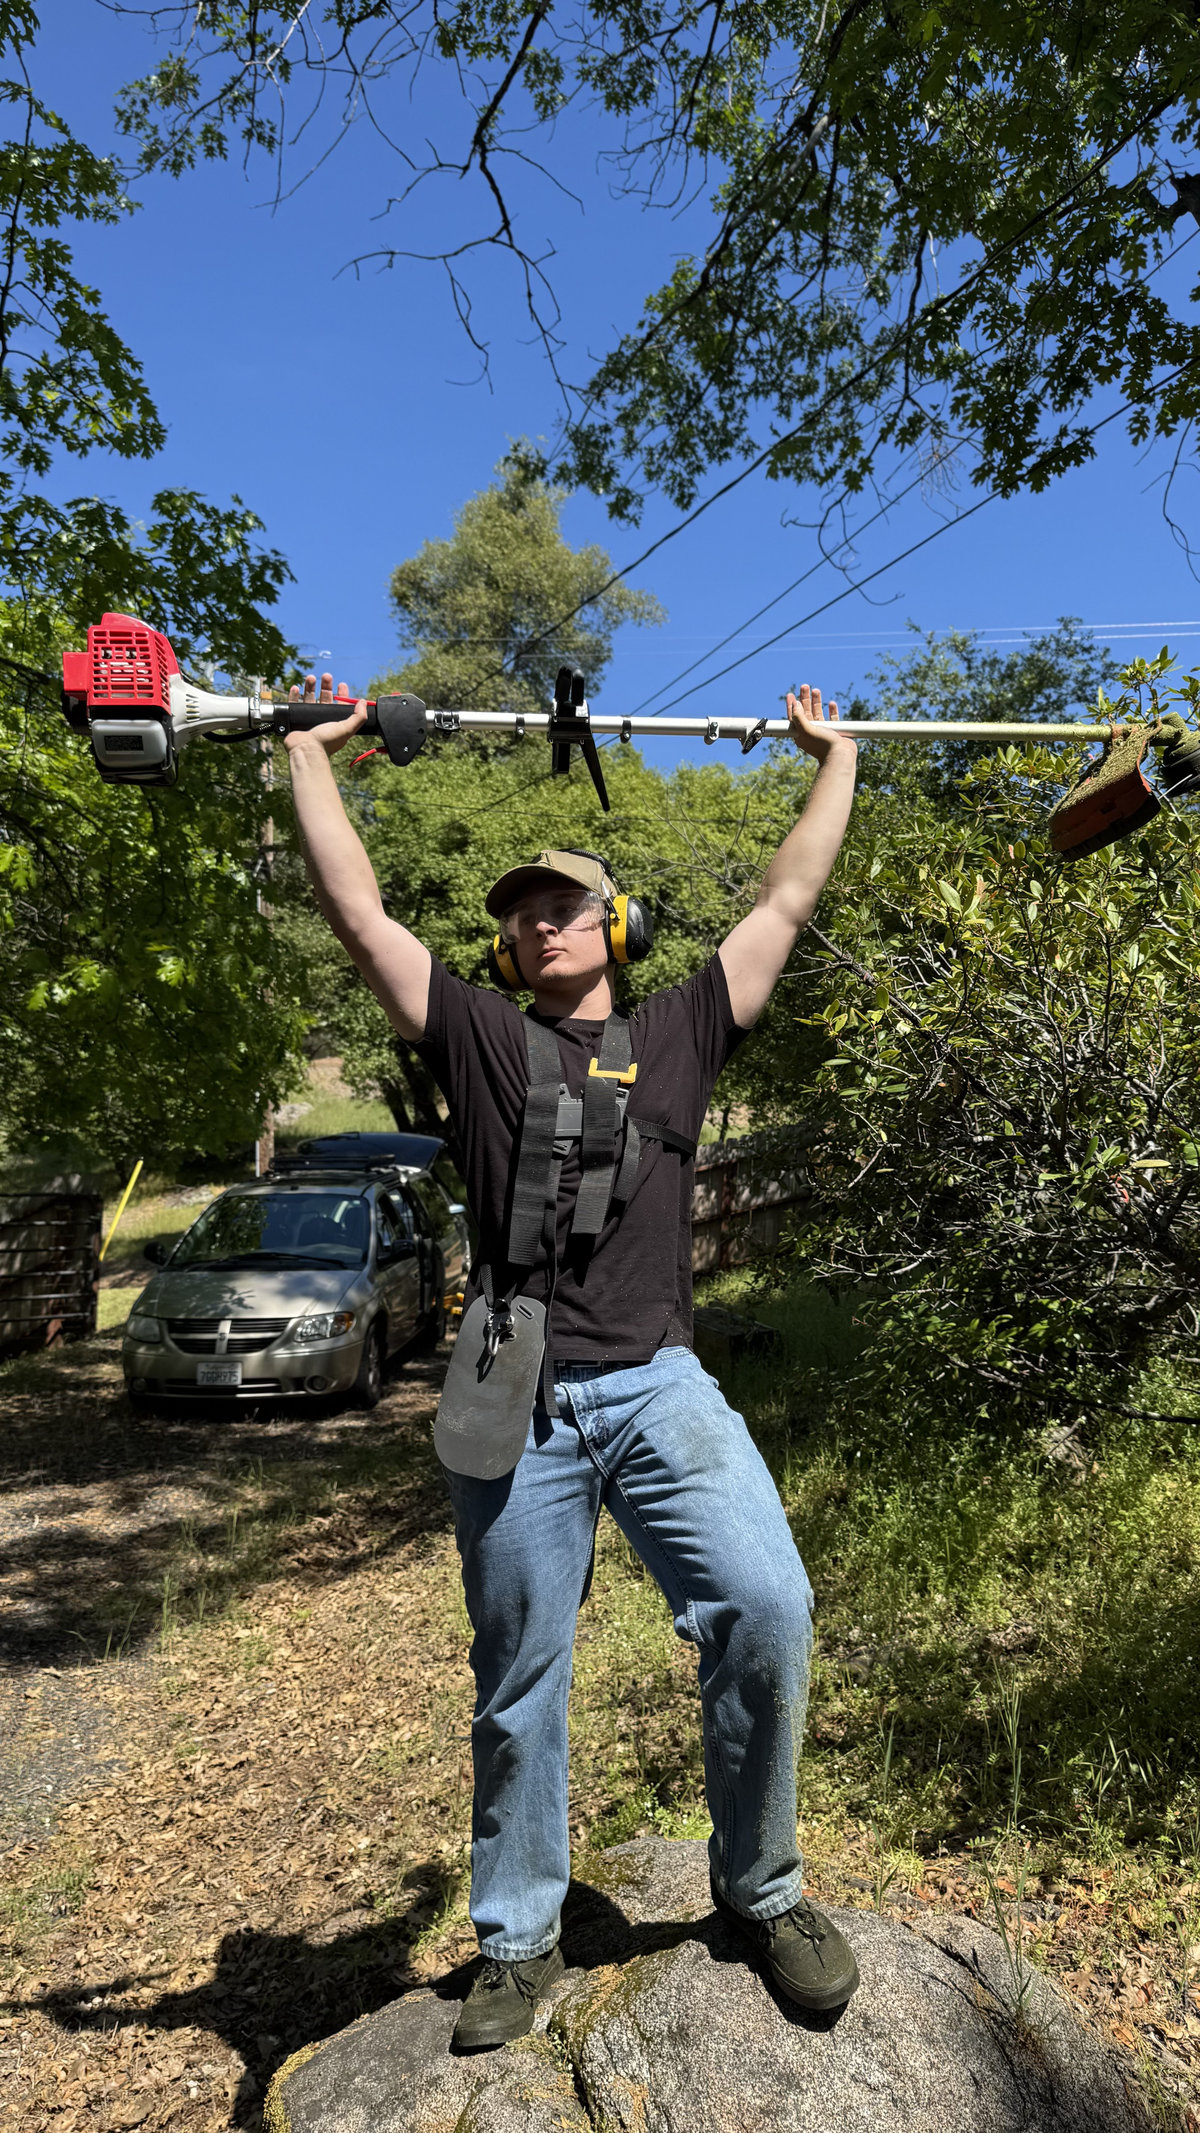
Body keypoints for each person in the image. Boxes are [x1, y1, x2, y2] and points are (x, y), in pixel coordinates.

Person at [285, 672, 860, 2049]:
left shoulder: (679, 1030)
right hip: (515, 1394)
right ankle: (520, 1934)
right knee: (519, 1674)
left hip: (659, 1382)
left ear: (615, 923)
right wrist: (311, 755)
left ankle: (761, 1886)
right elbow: (360, 913)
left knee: (768, 1602)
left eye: (561, 900)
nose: (535, 920)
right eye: (516, 911)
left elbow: (784, 901)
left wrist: (832, 758)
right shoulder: (482, 1040)